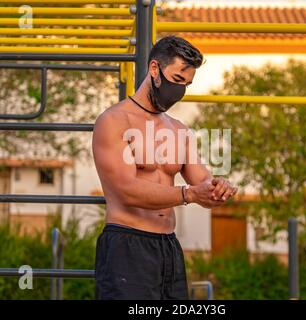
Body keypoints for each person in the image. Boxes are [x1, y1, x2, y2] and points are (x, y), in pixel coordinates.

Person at [92, 35, 237, 300]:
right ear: (155, 69)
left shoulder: (179, 130)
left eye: (187, 84)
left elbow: (202, 182)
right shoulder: (114, 121)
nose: (180, 90)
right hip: (127, 244)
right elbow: (126, 191)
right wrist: (189, 194)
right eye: (177, 80)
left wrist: (218, 189)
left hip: (168, 247)